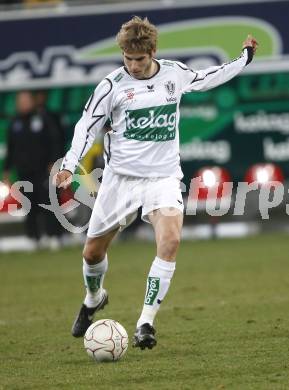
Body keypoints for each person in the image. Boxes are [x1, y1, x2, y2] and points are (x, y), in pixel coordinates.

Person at [54, 16, 258, 349]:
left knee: (171, 241)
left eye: (140, 59)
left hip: (163, 177)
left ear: (153, 52)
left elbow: (209, 77)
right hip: (120, 179)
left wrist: (244, 58)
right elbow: (86, 127)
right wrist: (69, 164)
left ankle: (145, 322)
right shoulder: (112, 85)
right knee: (92, 254)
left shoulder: (174, 74)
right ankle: (94, 297)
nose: (133, 65)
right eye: (128, 58)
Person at [3, 90, 63, 249]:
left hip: (43, 170)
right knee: (29, 205)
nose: (22, 104)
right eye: (19, 101)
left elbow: (55, 142)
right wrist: (7, 170)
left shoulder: (43, 119)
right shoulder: (15, 123)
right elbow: (11, 149)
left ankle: (54, 236)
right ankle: (34, 238)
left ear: (32, 101)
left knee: (48, 202)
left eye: (25, 100)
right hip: (24, 172)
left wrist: (54, 162)